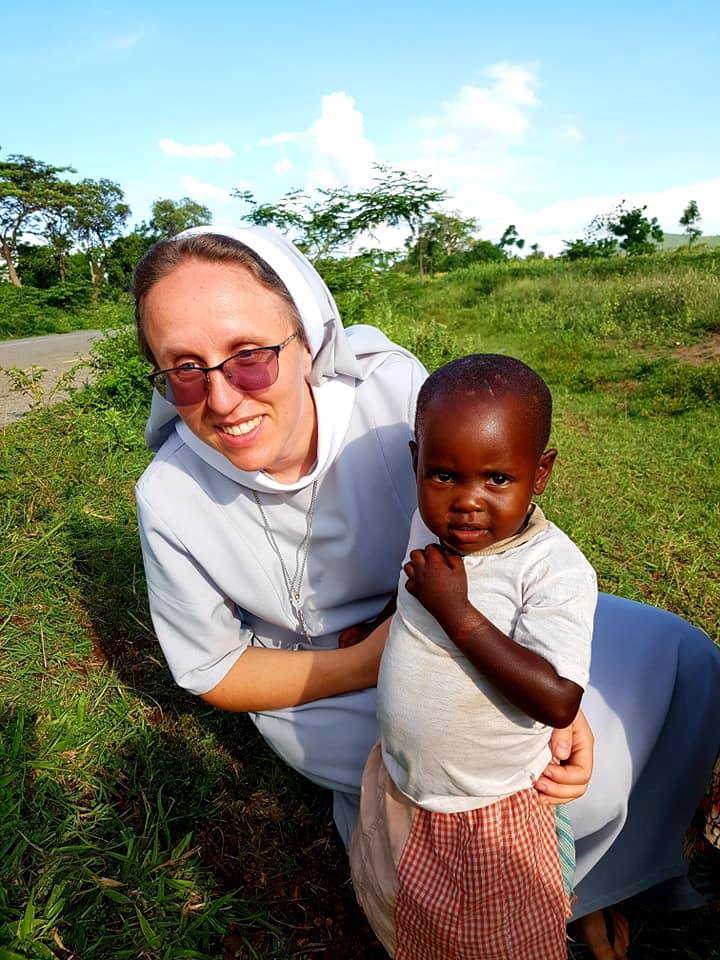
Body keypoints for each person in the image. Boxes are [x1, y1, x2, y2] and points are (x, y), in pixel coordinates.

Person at [132, 225, 720, 960]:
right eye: (184, 369)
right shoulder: (171, 497)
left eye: (249, 357)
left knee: (687, 657)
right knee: (558, 789)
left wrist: (547, 668)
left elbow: (474, 504)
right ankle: (537, 904)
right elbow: (215, 669)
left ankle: (617, 879)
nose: (221, 399)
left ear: (307, 337)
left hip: (473, 609)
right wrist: (376, 655)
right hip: (325, 680)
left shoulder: (386, 392)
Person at [350, 354, 597, 959]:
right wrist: (382, 622)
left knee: (498, 938)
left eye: (497, 479)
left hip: (487, 809)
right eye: (443, 476)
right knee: (412, 912)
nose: (466, 502)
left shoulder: (552, 570)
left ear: (539, 473)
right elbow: (411, 586)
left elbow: (558, 698)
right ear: (416, 463)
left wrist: (457, 613)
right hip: (408, 781)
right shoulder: (428, 525)